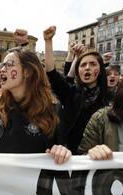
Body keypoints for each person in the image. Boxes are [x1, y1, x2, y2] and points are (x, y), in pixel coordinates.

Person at [0, 47, 71, 164]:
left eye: (8, 65)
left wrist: (62, 151)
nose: (2, 70)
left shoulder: (52, 108)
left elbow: (62, 147)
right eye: (2, 66)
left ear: (27, 72)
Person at [44, 26, 109, 154]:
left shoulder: (110, 99)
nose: (87, 68)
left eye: (93, 64)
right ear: (78, 71)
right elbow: (51, 72)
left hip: (96, 159)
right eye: (83, 65)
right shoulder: (70, 93)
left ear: (100, 69)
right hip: (67, 157)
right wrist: (48, 41)